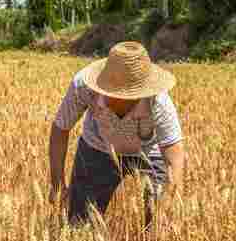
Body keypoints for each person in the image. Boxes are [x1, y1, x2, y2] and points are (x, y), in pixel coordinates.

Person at [48, 41, 186, 226]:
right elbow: (60, 129)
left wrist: (166, 205)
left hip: (148, 151)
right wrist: (57, 184)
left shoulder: (158, 100)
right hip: (97, 148)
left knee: (163, 225)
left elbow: (173, 153)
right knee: (79, 224)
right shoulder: (84, 86)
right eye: (116, 92)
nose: (120, 98)